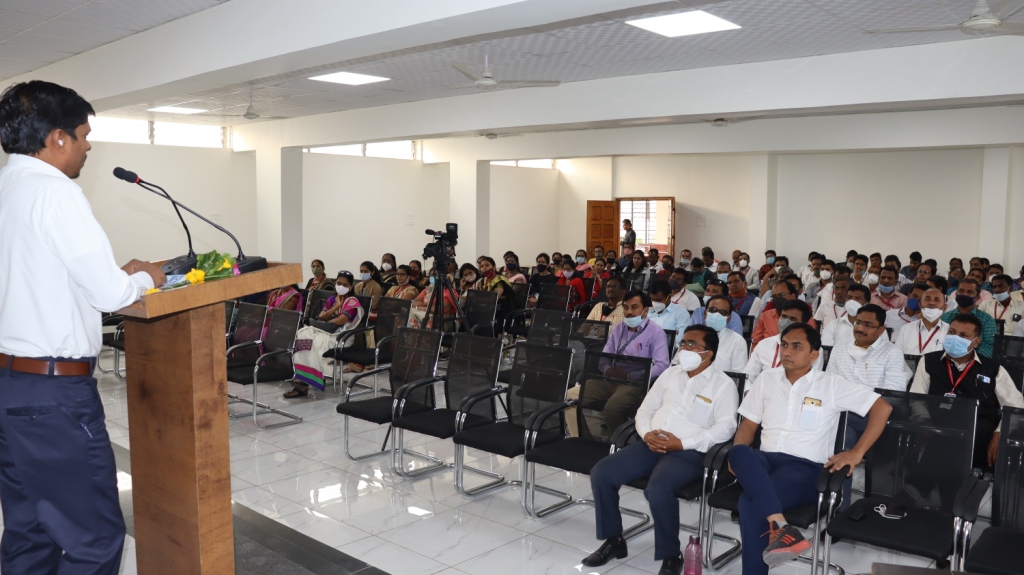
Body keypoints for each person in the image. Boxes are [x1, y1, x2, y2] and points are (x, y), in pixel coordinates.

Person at [0, 80, 169, 574]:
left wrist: (115, 276)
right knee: (93, 538)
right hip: (53, 396)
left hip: (10, 386)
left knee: (29, 533)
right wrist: (148, 277)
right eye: (84, 135)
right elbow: (112, 296)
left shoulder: (7, 189)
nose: (88, 147)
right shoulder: (56, 193)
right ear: (58, 138)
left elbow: (35, 280)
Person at [729, 324, 892, 574]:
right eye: (784, 345)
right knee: (738, 451)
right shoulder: (766, 378)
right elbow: (748, 425)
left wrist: (856, 452)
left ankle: (778, 533)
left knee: (748, 503)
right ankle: (782, 526)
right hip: (764, 461)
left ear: (814, 355)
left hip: (804, 469)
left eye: (797, 346)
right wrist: (739, 460)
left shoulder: (831, 384)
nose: (787, 352)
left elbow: (882, 408)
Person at [583, 326, 737, 575]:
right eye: (683, 343)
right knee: (602, 472)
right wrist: (647, 433)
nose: (684, 348)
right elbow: (645, 410)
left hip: (688, 452)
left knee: (658, 489)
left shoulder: (723, 385)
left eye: (692, 344)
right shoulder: (670, 374)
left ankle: (671, 555)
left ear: (708, 353)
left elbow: (726, 428)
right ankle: (614, 541)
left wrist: (683, 443)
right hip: (651, 444)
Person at [911, 314, 1024, 471]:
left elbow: (1015, 405)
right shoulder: (929, 361)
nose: (955, 338)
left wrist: (1000, 433)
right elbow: (916, 397)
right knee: (942, 440)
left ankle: (922, 486)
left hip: (979, 430)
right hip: (938, 425)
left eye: (963, 335)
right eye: (952, 332)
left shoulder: (993, 368)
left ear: (976, 342)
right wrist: (924, 421)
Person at [567, 290, 670, 437]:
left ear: (645, 310)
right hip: (610, 377)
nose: (629, 312)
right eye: (626, 308)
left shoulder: (656, 332)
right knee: (569, 397)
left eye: (634, 307)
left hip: (634, 383)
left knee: (612, 409)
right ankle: (580, 437)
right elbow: (604, 356)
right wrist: (607, 369)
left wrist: (631, 376)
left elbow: (662, 365)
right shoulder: (619, 328)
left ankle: (615, 443)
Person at [826, 303, 910, 457]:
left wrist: (859, 401)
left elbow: (893, 393)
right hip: (840, 410)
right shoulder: (839, 348)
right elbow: (829, 383)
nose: (860, 328)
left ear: (881, 330)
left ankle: (843, 461)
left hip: (871, 413)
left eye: (867, 325)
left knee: (843, 433)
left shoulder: (892, 352)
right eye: (858, 322)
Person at [286, 271, 364, 397]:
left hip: (342, 336)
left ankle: (306, 382)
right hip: (326, 331)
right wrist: (336, 307)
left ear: (350, 287)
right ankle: (305, 378)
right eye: (339, 283)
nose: (341, 286)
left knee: (312, 343)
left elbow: (340, 321)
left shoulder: (352, 302)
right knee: (303, 334)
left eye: (345, 285)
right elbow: (321, 316)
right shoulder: (332, 299)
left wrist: (326, 321)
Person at [745, 300, 822, 382]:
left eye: (793, 319)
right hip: (763, 388)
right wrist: (750, 389)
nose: (786, 322)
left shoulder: (812, 348)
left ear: (804, 323)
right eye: (784, 316)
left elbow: (811, 380)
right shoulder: (764, 344)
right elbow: (748, 376)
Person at [689, 296, 748, 372]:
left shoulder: (737, 341)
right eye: (713, 310)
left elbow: (738, 374)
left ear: (728, 318)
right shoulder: (691, 335)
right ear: (705, 313)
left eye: (723, 312)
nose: (717, 314)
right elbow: (677, 364)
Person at [941, 278, 997, 357]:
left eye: (970, 292)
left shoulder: (987, 319)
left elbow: (988, 345)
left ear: (977, 298)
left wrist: (970, 359)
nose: (964, 294)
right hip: (945, 358)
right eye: (961, 291)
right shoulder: (945, 317)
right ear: (956, 294)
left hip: (974, 361)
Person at [893, 287, 948, 356]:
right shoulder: (906, 329)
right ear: (920, 305)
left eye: (937, 300)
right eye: (927, 299)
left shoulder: (949, 331)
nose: (931, 303)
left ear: (944, 307)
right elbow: (896, 356)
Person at [750, 280, 798, 350]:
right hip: (768, 355)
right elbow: (756, 342)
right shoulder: (766, 316)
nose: (777, 299)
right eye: (774, 296)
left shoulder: (804, 317)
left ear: (792, 296)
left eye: (781, 295)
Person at [648, 280, 690, 346]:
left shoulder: (681, 314)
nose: (655, 302)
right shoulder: (646, 312)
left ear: (669, 297)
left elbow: (679, 341)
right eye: (652, 299)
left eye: (659, 300)